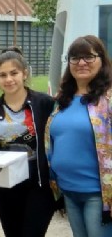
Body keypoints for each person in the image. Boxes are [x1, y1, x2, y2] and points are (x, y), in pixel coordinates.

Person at [0, 47, 56, 237]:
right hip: (7, 186)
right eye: (3, 75)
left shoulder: (44, 104)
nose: (9, 79)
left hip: (39, 185)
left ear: (24, 73)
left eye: (14, 73)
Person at [45, 35, 112, 237]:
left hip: (99, 195)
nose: (81, 63)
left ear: (102, 60)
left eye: (89, 57)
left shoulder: (108, 100)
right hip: (68, 191)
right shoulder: (61, 100)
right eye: (75, 57)